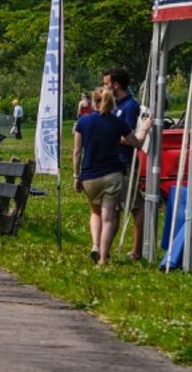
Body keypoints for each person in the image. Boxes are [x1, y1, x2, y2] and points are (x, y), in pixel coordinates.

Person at [73, 86, 143, 265]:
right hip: (112, 175)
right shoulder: (118, 123)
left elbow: (77, 152)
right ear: (112, 104)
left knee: (95, 212)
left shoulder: (83, 121)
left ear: (94, 102)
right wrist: (146, 128)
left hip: (89, 176)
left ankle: (95, 246)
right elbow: (136, 143)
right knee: (108, 218)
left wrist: (76, 175)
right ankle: (103, 259)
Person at [103, 67, 143, 260]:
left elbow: (130, 137)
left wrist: (109, 134)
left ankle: (136, 251)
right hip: (113, 163)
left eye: (106, 84)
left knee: (135, 206)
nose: (104, 88)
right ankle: (106, 250)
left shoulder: (130, 106)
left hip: (126, 162)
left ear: (116, 85)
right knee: (114, 208)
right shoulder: (115, 106)